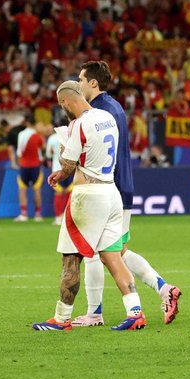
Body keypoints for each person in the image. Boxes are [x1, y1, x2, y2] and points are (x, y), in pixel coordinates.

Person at [73, 60, 181, 327]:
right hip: (121, 187)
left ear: (93, 83)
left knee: (97, 252)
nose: (78, 85)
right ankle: (164, 289)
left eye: (81, 80)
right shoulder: (113, 107)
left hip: (109, 188)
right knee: (116, 251)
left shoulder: (98, 112)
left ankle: (95, 313)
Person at [31, 81, 145, 332]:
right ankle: (135, 312)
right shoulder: (106, 117)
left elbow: (69, 164)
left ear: (65, 102)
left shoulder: (78, 125)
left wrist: (63, 151)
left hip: (88, 197)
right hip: (110, 192)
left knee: (71, 258)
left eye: (62, 106)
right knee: (112, 256)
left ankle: (62, 319)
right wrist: (63, 172)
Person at [14, 114, 45, 221]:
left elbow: (19, 152)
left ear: (26, 123)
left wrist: (19, 163)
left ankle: (23, 214)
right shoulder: (37, 136)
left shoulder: (21, 134)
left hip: (24, 165)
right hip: (36, 165)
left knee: (22, 189)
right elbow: (43, 148)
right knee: (37, 189)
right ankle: (38, 214)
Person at [46, 124, 69, 225]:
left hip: (56, 169)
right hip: (69, 169)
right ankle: (68, 217)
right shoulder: (71, 136)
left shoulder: (52, 138)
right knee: (70, 193)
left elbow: (48, 154)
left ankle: (58, 217)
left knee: (58, 193)